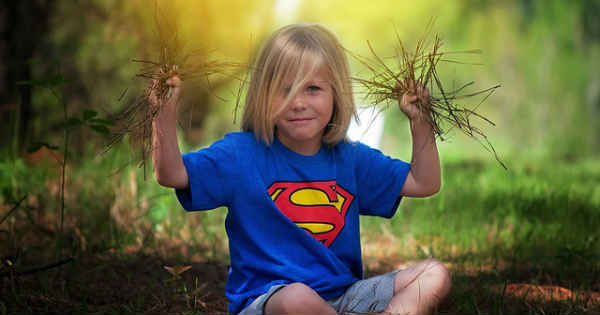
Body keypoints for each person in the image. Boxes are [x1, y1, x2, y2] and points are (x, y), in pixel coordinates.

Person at [152, 23, 451, 315]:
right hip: (270, 301)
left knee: (433, 274)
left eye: (312, 89)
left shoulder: (350, 159)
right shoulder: (241, 154)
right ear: (262, 97)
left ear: (336, 94)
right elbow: (171, 174)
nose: (298, 103)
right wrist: (163, 114)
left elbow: (424, 183)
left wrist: (420, 123)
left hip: (344, 297)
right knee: (298, 298)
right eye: (284, 91)